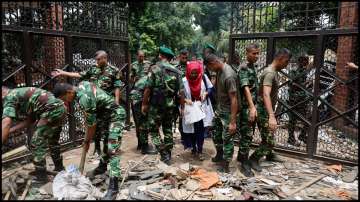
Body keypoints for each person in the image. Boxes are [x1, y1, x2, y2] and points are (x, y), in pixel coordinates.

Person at [53, 81, 125, 200]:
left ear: (69, 92)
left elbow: (91, 125)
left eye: (65, 98)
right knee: (106, 145)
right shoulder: (81, 85)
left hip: (115, 116)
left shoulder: (83, 98)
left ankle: (113, 188)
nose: (66, 101)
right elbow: (90, 119)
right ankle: (102, 166)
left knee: (112, 149)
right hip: (105, 116)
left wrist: (86, 142)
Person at [51, 50, 122, 157]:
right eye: (96, 60)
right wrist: (63, 73)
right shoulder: (93, 68)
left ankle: (109, 149)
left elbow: (117, 86)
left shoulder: (114, 70)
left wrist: (117, 100)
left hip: (106, 102)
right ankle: (97, 149)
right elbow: (80, 75)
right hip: (93, 102)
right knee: (95, 127)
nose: (97, 62)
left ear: (105, 58)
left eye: (98, 60)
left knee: (107, 128)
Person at [2, 86, 67, 182]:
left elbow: (6, 122)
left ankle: (41, 177)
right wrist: (11, 130)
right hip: (59, 109)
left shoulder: (9, 96)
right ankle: (60, 169)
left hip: (51, 111)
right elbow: (30, 120)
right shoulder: (20, 95)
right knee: (53, 141)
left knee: (36, 143)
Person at [249, 48, 292, 172]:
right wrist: (271, 116)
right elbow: (266, 94)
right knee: (269, 141)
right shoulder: (270, 73)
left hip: (266, 109)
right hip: (263, 110)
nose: (287, 64)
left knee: (268, 135)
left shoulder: (273, 71)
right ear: (280, 58)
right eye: (286, 61)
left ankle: (269, 154)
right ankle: (253, 159)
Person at [142, 46, 185, 165]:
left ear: (161, 56)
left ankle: (163, 153)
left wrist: (144, 103)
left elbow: (148, 88)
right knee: (167, 129)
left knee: (153, 129)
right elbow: (181, 92)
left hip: (156, 105)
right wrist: (182, 108)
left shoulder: (155, 68)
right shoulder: (177, 72)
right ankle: (168, 152)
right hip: (170, 105)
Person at [204, 53, 239, 173]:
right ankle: (219, 154)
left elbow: (234, 99)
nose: (211, 71)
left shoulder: (229, 75)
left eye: (210, 68)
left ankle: (226, 164)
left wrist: (233, 121)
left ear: (213, 63)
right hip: (220, 109)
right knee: (216, 132)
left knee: (227, 138)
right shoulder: (219, 71)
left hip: (228, 112)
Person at [181, 60, 214, 161]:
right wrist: (185, 100)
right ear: (188, 71)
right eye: (192, 72)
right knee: (191, 131)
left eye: (196, 72)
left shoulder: (203, 77)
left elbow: (210, 88)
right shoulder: (184, 80)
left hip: (201, 108)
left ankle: (200, 150)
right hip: (190, 109)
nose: (194, 75)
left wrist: (206, 93)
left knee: (200, 131)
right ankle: (193, 148)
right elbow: (179, 94)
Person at [236, 43, 260, 177]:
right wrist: (251, 107)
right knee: (247, 135)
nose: (256, 56)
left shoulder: (252, 67)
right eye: (253, 53)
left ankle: (241, 156)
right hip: (246, 107)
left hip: (252, 106)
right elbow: (245, 88)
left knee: (249, 134)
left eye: (257, 53)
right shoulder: (244, 68)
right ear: (247, 53)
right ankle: (244, 163)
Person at [129, 64, 157, 155]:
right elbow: (147, 92)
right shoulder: (151, 78)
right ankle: (145, 147)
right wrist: (145, 105)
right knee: (143, 122)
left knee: (139, 123)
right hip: (138, 100)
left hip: (135, 99)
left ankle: (140, 144)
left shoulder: (147, 76)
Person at [130, 50, 152, 151]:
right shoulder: (133, 65)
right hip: (137, 93)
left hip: (145, 93)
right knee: (138, 121)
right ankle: (141, 143)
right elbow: (130, 79)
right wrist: (134, 79)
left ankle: (144, 143)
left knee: (144, 120)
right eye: (139, 56)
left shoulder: (148, 64)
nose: (141, 58)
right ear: (137, 56)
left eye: (143, 56)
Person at [287, 54, 310, 146]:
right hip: (294, 99)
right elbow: (292, 84)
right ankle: (291, 138)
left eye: (307, 60)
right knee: (292, 120)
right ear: (300, 61)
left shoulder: (305, 71)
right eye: (305, 60)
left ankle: (302, 136)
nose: (307, 62)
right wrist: (305, 84)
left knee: (309, 119)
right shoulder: (294, 71)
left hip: (303, 99)